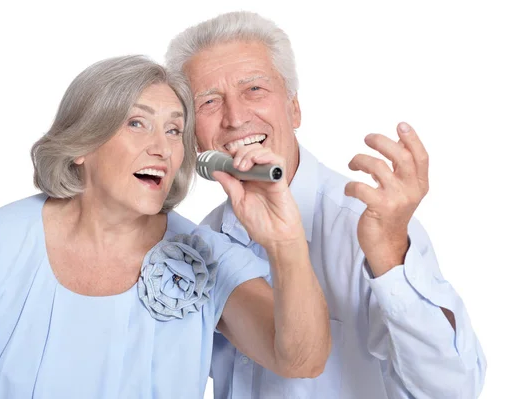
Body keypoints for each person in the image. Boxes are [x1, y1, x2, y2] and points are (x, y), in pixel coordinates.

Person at [0, 55, 330, 398]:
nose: (162, 148)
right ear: (82, 144)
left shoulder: (206, 256)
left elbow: (301, 360)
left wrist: (286, 241)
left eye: (173, 130)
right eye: (137, 123)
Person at [166, 11, 487, 399]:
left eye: (254, 90)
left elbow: (454, 390)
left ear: (294, 109)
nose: (235, 118)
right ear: (193, 137)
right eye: (210, 101)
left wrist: (390, 259)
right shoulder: (205, 236)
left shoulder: (366, 225)